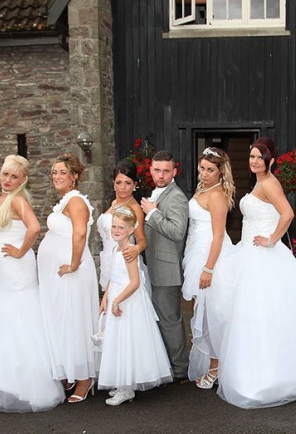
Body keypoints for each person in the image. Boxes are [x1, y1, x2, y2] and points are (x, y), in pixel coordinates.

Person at [212, 137, 296, 409]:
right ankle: (255, 373)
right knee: (252, 316)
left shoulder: (269, 183)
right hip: (250, 255)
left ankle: (271, 378)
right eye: (252, 156)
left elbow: (287, 213)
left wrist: (271, 239)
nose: (254, 161)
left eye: (259, 157)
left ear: (271, 160)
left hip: (265, 258)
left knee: (265, 315)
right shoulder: (259, 182)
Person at [0, 155, 63, 412]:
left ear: (23, 180)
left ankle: (24, 381)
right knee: (5, 314)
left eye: (14, 176)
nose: (7, 179)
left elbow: (34, 227)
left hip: (16, 267)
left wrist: (19, 251)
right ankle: (4, 375)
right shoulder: (4, 198)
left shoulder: (17, 199)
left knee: (18, 315)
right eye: (5, 174)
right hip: (2, 269)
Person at [38, 154, 99, 403]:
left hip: (72, 273)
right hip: (59, 275)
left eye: (62, 172)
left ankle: (85, 377)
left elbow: (81, 232)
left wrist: (74, 264)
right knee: (63, 320)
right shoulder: (65, 200)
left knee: (75, 320)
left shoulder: (76, 201)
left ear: (74, 176)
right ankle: (71, 370)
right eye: (54, 172)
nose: (57, 176)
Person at [98, 206, 172, 405]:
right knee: (118, 341)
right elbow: (114, 276)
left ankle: (126, 387)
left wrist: (116, 300)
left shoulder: (129, 252)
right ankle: (123, 384)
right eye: (113, 227)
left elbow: (135, 282)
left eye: (121, 228)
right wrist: (106, 297)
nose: (115, 231)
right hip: (117, 294)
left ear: (131, 230)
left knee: (127, 340)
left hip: (127, 299)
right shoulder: (116, 249)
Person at [182, 147, 236, 389]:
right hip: (196, 253)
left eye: (210, 170)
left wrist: (209, 269)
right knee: (202, 312)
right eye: (202, 168)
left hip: (211, 257)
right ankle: (212, 363)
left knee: (213, 315)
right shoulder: (204, 189)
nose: (204, 173)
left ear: (220, 171)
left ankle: (216, 368)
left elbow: (218, 236)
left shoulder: (217, 196)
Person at [140, 150, 190, 380]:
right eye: (157, 170)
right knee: (160, 319)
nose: (161, 175)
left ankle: (180, 369)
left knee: (170, 321)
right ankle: (168, 364)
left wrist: (152, 213)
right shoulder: (156, 193)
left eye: (166, 171)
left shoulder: (176, 196)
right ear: (150, 169)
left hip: (167, 268)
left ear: (174, 172)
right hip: (153, 266)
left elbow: (177, 232)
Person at [96, 161, 150, 295]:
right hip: (108, 258)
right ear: (113, 183)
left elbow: (142, 240)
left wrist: (135, 249)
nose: (123, 187)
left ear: (135, 185)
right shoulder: (113, 203)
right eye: (119, 182)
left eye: (128, 183)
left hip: (124, 262)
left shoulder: (135, 208)